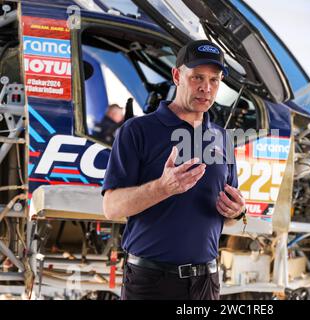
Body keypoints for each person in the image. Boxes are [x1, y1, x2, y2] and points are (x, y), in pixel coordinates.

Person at [102, 39, 247, 300]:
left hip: (205, 283)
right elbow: (111, 207)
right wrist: (162, 187)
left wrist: (237, 212)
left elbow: (226, 217)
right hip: (151, 282)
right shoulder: (137, 131)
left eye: (215, 80)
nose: (206, 88)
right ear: (177, 75)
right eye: (197, 77)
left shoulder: (222, 138)